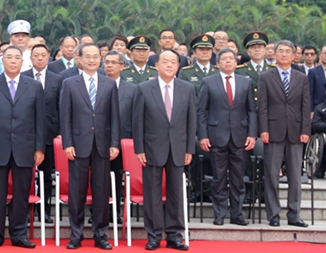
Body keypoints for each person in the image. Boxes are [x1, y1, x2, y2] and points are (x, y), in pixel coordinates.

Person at [0, 46, 46, 249]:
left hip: (25, 146)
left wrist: (39, 147)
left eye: (17, 58)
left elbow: (40, 120)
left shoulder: (34, 86)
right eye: (9, 58)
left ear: (23, 62)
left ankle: (19, 234)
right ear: (2, 61)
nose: (13, 61)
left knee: (22, 192)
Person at [132, 50, 195, 251]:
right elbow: (137, 121)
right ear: (157, 65)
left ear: (178, 66)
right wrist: (139, 148)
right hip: (151, 147)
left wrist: (189, 148)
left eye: (173, 62)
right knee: (152, 193)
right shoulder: (143, 88)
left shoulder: (187, 88)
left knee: (176, 192)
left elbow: (191, 121)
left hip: (178, 147)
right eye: (165, 62)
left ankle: (175, 235)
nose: (169, 65)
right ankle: (154, 235)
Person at [60, 44, 120, 250]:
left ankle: (100, 234)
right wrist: (67, 143)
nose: (93, 60)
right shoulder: (69, 83)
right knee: (76, 191)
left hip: (103, 144)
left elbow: (114, 117)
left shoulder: (109, 84)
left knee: (102, 191)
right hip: (77, 144)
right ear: (80, 59)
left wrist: (114, 143)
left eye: (96, 56)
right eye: (88, 57)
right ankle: (76, 234)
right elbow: (65, 117)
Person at [197, 48, 257, 226]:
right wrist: (203, 136)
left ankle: (237, 214)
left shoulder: (246, 82)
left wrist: (252, 134)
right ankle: (220, 214)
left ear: (236, 62)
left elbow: (251, 111)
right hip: (216, 136)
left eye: (231, 58)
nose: (228, 61)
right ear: (218, 63)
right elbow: (201, 111)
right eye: (224, 59)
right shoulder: (208, 82)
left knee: (238, 178)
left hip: (240, 136)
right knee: (219, 177)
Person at [258, 40, 310, 228]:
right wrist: (263, 129)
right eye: (281, 51)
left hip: (296, 131)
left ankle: (294, 214)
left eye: (288, 51)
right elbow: (262, 106)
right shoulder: (266, 77)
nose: (284, 55)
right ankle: (273, 215)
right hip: (273, 130)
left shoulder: (301, 77)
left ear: (295, 55)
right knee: (271, 174)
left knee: (295, 176)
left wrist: (306, 130)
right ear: (275, 53)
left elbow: (305, 106)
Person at [22, 44, 63, 224]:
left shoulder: (58, 79)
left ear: (48, 58)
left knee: (46, 175)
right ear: (30, 58)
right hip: (25, 134)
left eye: (43, 55)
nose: (39, 58)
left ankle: (44, 210)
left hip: (49, 134)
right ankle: (24, 210)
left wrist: (61, 132)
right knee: (24, 175)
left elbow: (62, 107)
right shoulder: (22, 78)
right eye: (36, 55)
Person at [103, 50, 135, 223]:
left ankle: (116, 212)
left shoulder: (132, 89)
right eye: (107, 62)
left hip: (123, 140)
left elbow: (135, 117)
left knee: (117, 177)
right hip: (99, 140)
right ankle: (99, 212)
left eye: (114, 63)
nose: (109, 66)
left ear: (122, 67)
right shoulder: (97, 84)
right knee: (100, 178)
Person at [235, 31, 273, 106]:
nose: (256, 50)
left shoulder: (273, 70)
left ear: (265, 50)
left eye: (260, 47)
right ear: (248, 52)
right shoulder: (239, 71)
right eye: (253, 47)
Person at [179, 34, 218, 99]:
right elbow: (182, 95)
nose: (205, 52)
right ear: (194, 53)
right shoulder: (185, 73)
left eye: (208, 49)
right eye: (201, 49)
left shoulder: (218, 71)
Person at [308, 45, 326, 111]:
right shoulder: (313, 72)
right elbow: (310, 93)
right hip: (318, 109)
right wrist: (311, 111)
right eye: (325, 53)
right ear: (320, 55)